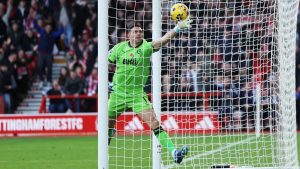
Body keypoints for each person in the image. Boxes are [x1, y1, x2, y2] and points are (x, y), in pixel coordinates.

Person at [108, 18, 192, 164]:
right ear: (129, 34)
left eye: (140, 31)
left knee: (154, 123)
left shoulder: (146, 47)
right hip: (118, 94)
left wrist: (177, 28)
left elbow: (163, 40)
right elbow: (107, 63)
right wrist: (109, 82)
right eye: (135, 31)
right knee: (107, 126)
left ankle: (174, 152)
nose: (139, 33)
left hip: (136, 95)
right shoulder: (119, 48)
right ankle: (108, 137)